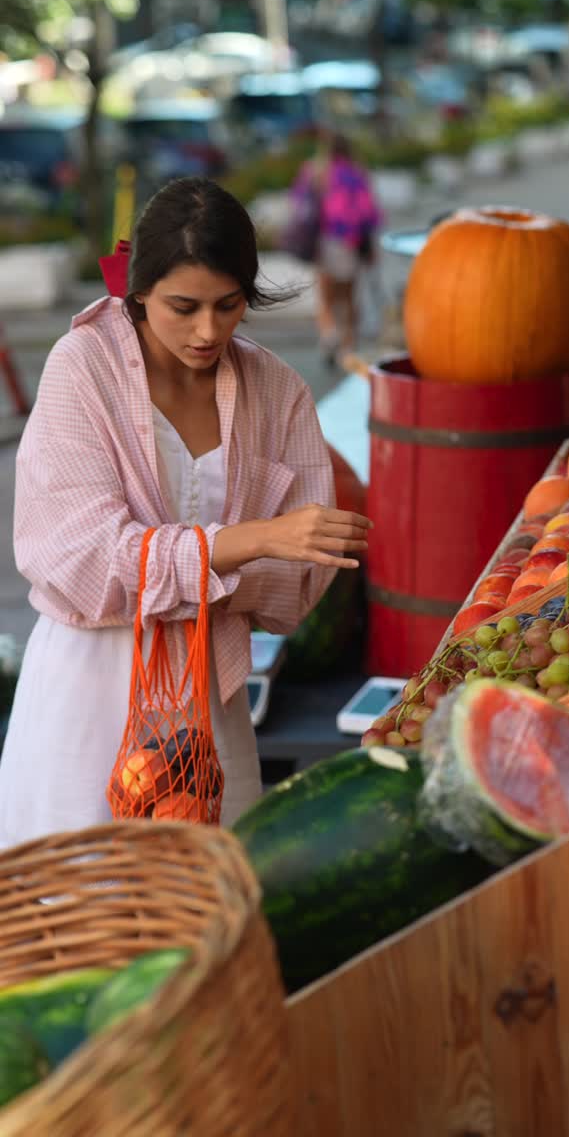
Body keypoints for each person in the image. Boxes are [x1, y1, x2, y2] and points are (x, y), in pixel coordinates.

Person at [0, 177, 371, 847]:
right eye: (183, 307)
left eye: (229, 306)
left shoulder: (277, 391)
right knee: (83, 920)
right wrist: (251, 541)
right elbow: (82, 557)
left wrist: (262, 557)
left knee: (205, 916)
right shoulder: (81, 368)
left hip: (207, 705)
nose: (208, 331)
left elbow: (288, 597)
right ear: (138, 290)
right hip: (88, 694)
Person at [290, 132, 382, 366]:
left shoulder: (313, 171)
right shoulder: (356, 173)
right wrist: (369, 245)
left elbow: (298, 204)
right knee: (349, 295)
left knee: (326, 295)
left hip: (324, 241)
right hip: (350, 241)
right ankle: (348, 346)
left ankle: (329, 333)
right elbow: (368, 211)